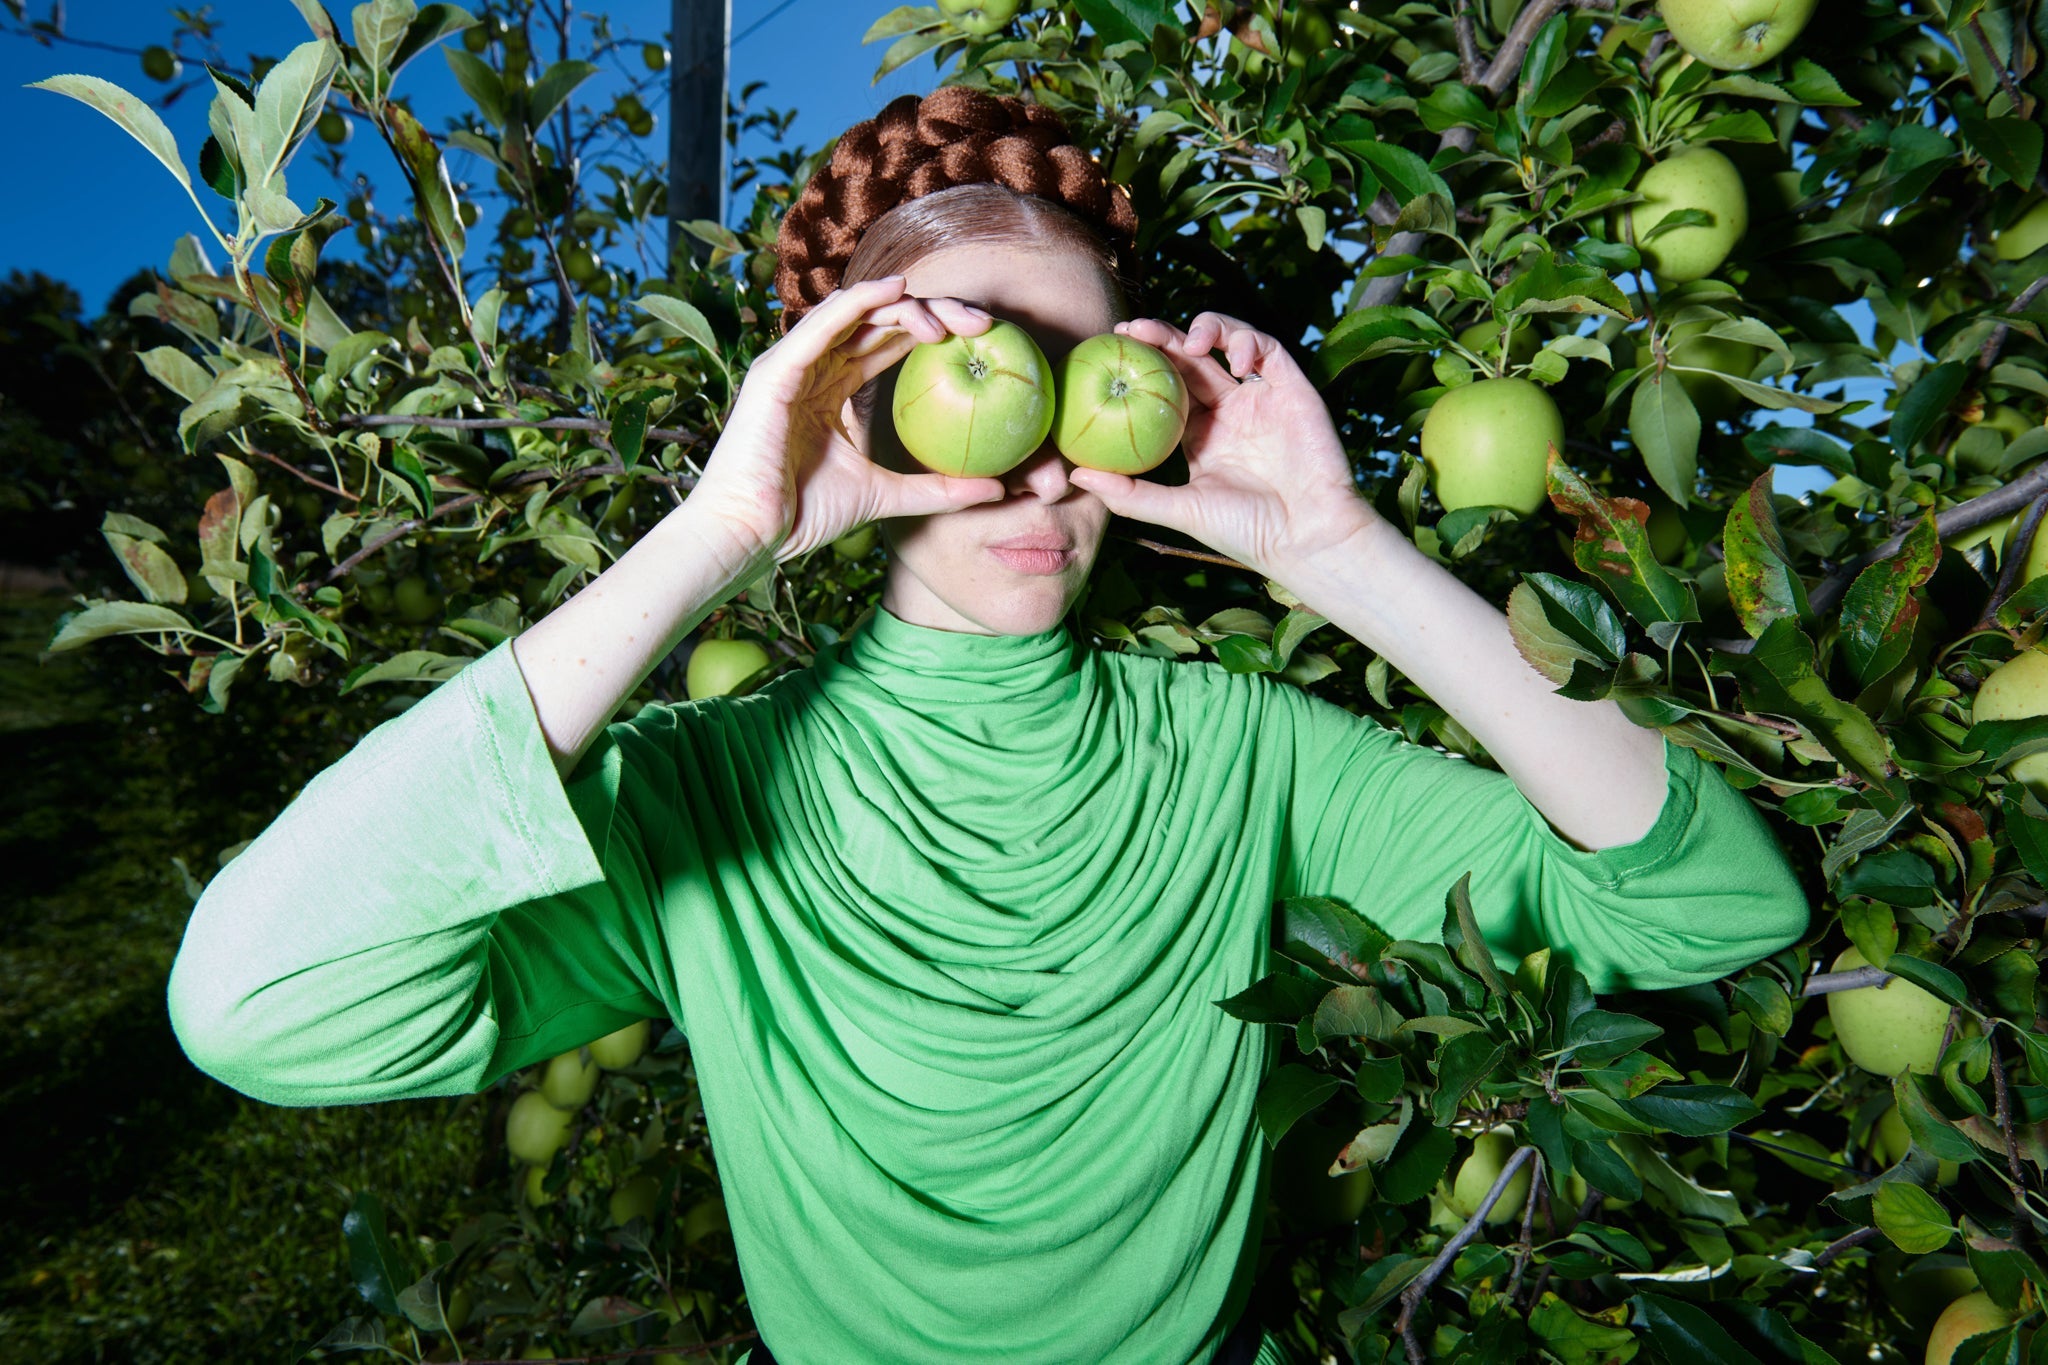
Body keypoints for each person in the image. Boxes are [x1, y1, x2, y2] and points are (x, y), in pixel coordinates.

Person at [165, 88, 1808, 1364]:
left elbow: (1716, 903)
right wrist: (718, 529)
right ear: (844, 398)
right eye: (973, 369)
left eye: (1082, 375)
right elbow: (259, 1002)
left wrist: (1345, 555)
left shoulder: (1245, 757)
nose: (1028, 457)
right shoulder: (703, 799)